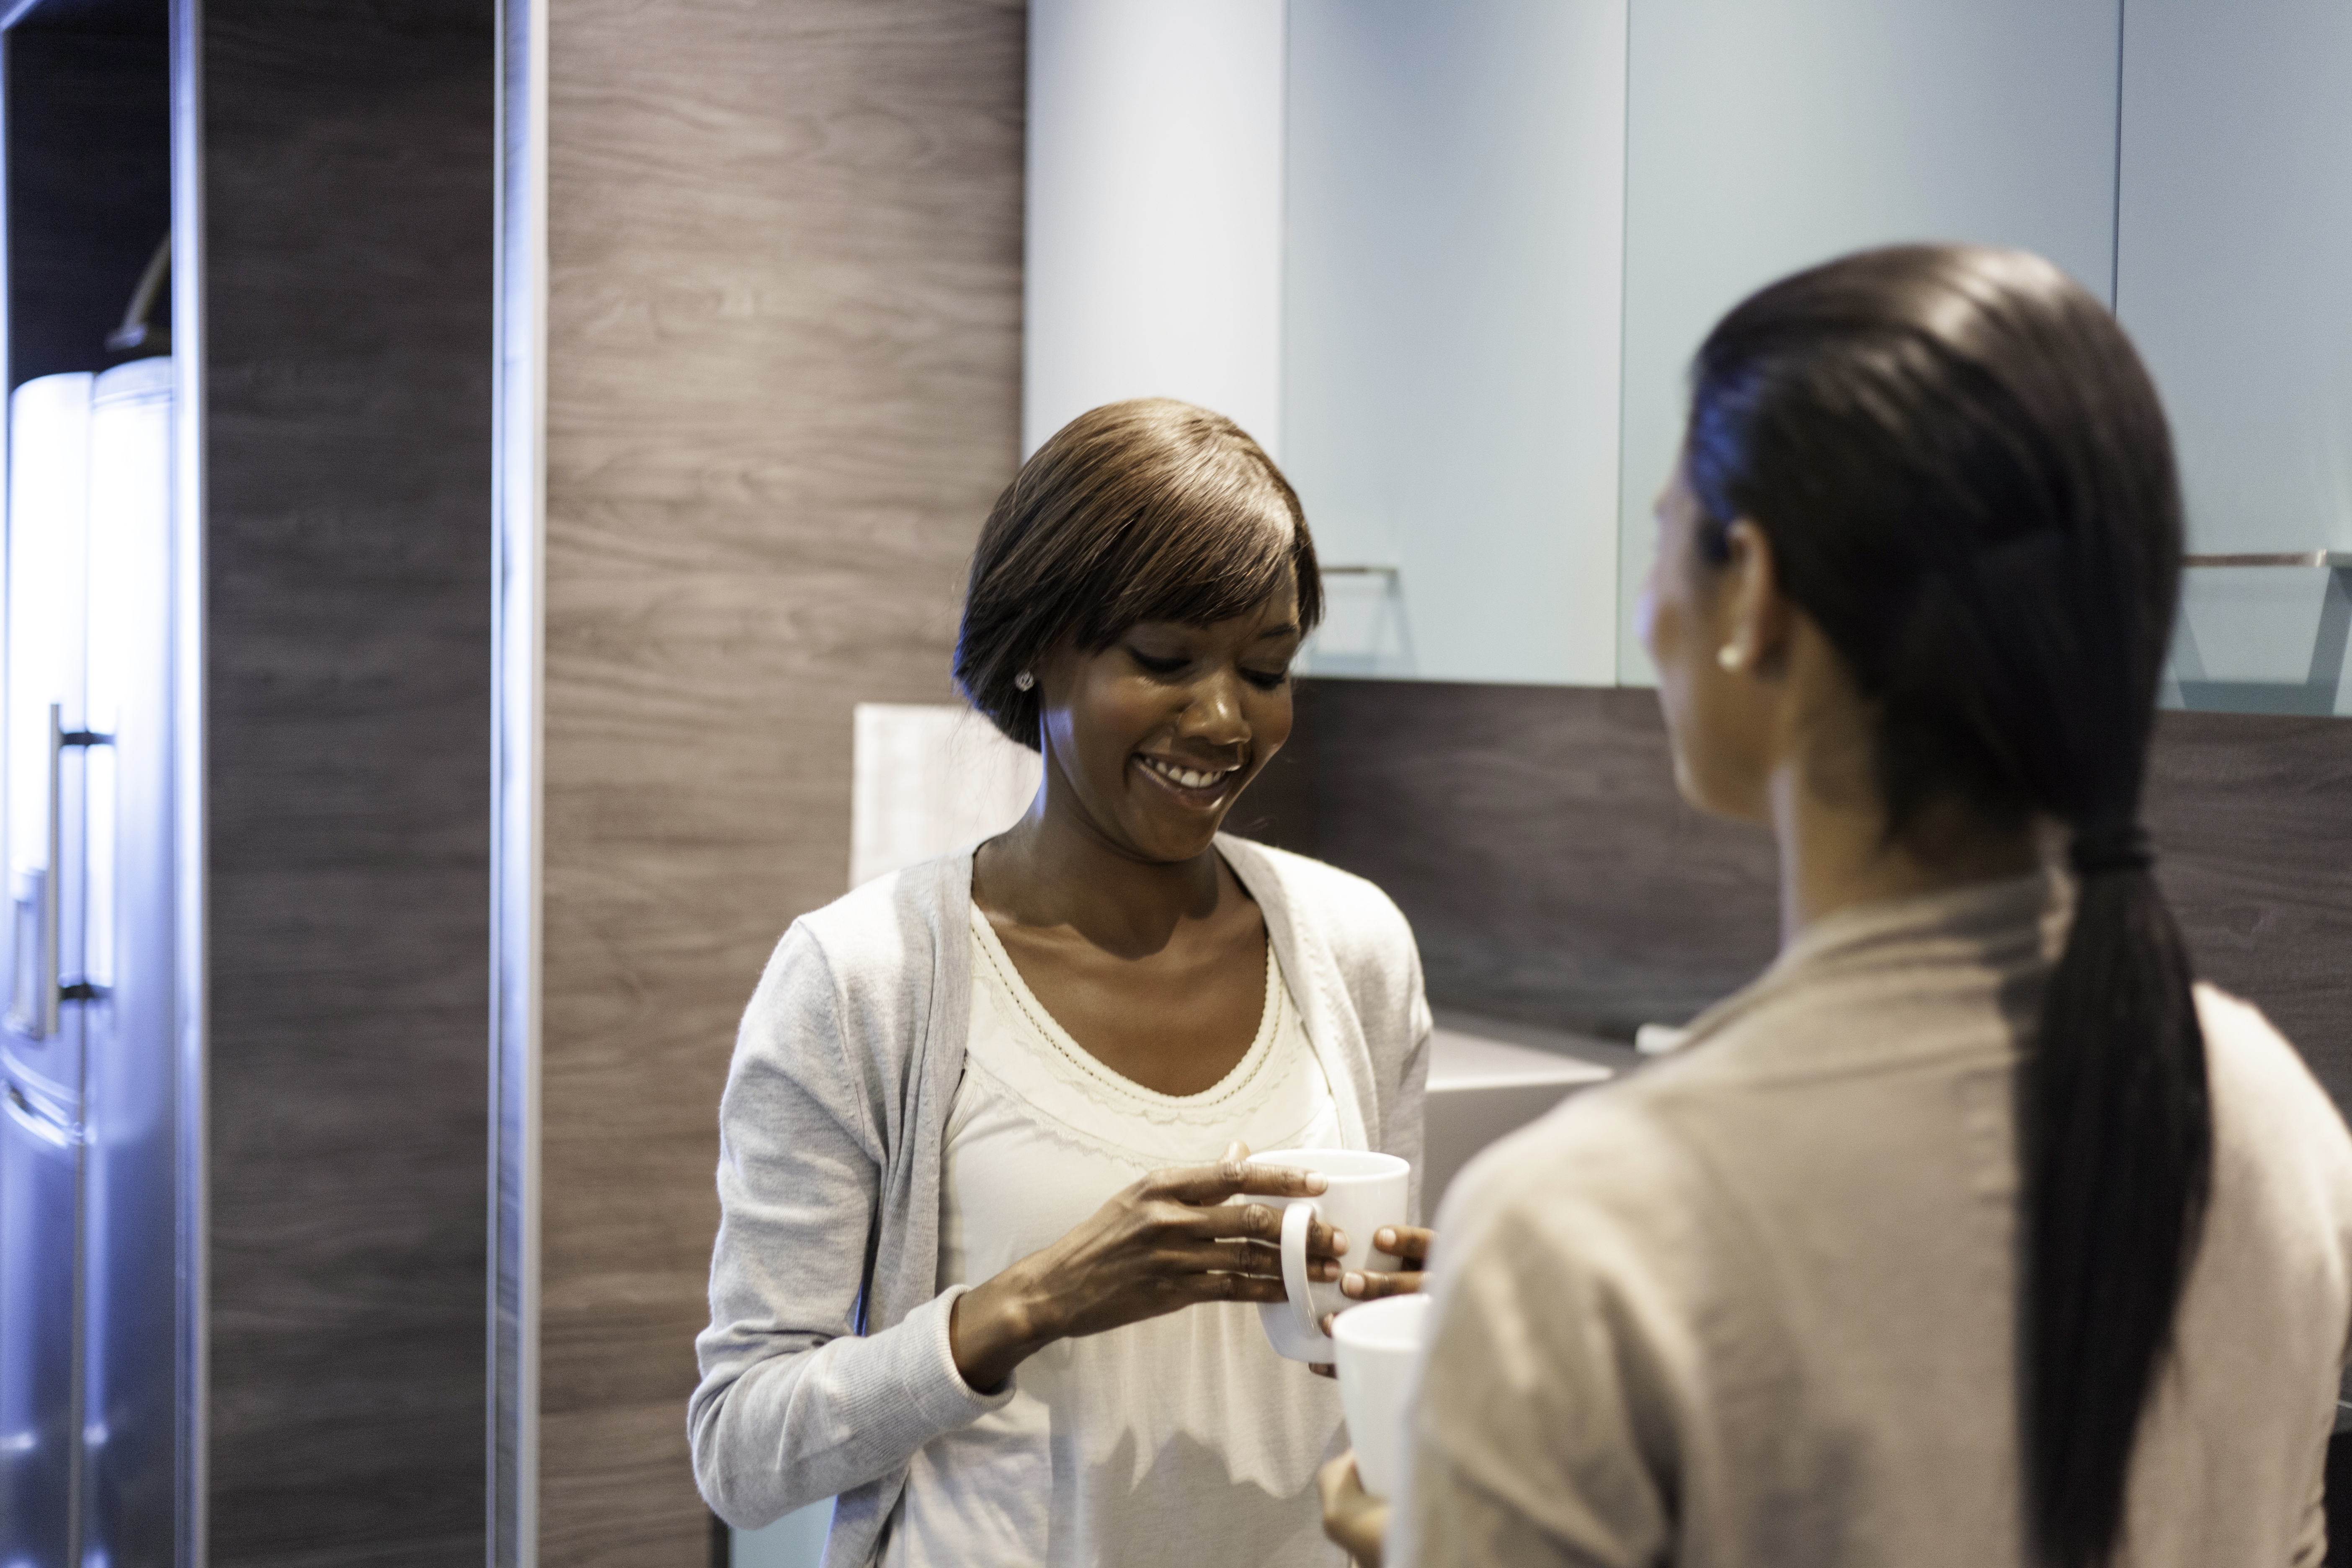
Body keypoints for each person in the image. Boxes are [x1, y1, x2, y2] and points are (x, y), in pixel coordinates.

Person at [1321, 245, 2352, 1567]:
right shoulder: (2275, 1121)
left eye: (1661, 538)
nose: (1647, 614)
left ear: (1750, 591)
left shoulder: (1590, 1226)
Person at [692, 397, 1434, 1567]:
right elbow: (741, 1448)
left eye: (1269, 666)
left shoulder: (1354, 949)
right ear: (1039, 647)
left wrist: (1425, 1324)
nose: (1228, 717)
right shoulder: (863, 980)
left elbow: (1373, 1364)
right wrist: (1031, 1303)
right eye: (1164, 659)